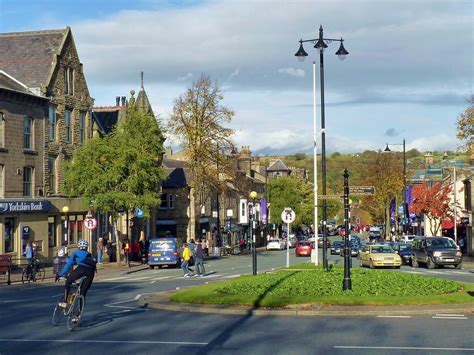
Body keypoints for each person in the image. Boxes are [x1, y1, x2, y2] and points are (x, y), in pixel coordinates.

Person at [55, 240, 97, 309]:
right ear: (86, 248)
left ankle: (65, 302)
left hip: (81, 269)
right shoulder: (90, 255)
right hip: (91, 272)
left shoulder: (75, 253)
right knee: (82, 293)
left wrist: (60, 274)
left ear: (79, 247)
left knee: (68, 281)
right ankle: (78, 314)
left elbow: (68, 264)